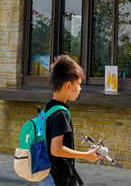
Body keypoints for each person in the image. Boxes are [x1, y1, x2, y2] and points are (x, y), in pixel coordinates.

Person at [40, 55, 102, 186]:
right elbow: (56, 149)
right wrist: (86, 155)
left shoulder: (48, 109)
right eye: (78, 84)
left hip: (47, 175)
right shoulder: (60, 114)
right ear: (68, 86)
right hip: (58, 179)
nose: (80, 89)